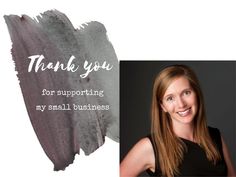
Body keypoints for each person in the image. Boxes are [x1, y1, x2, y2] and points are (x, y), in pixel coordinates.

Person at [120, 65, 236, 177]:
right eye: (170, 98)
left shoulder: (215, 136)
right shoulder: (150, 146)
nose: (181, 104)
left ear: (197, 94)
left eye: (186, 93)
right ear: (163, 106)